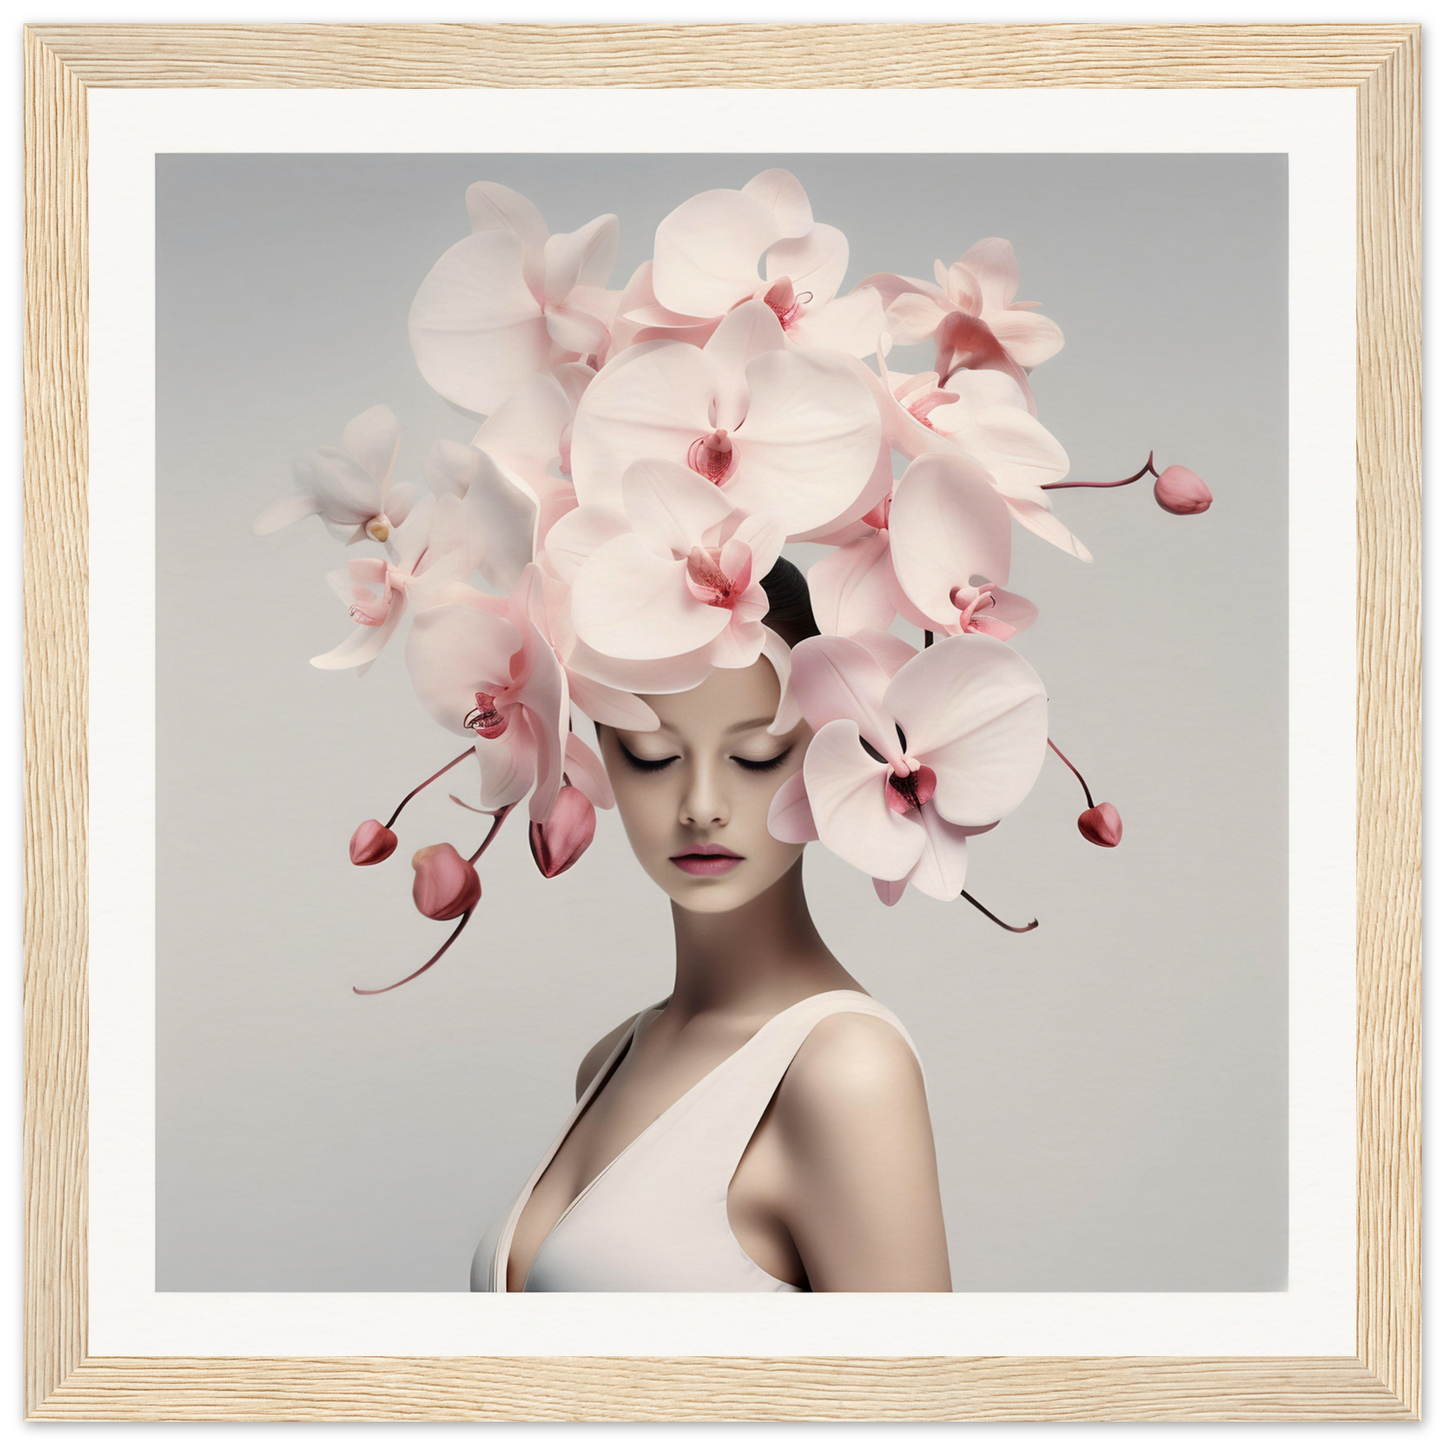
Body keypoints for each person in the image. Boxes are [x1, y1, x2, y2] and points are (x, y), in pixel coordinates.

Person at [470, 562, 952, 1293]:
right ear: (599, 752)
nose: (701, 804)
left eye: (755, 756)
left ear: (833, 758)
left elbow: (918, 1401)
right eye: (651, 756)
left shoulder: (845, 1070)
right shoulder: (611, 1058)